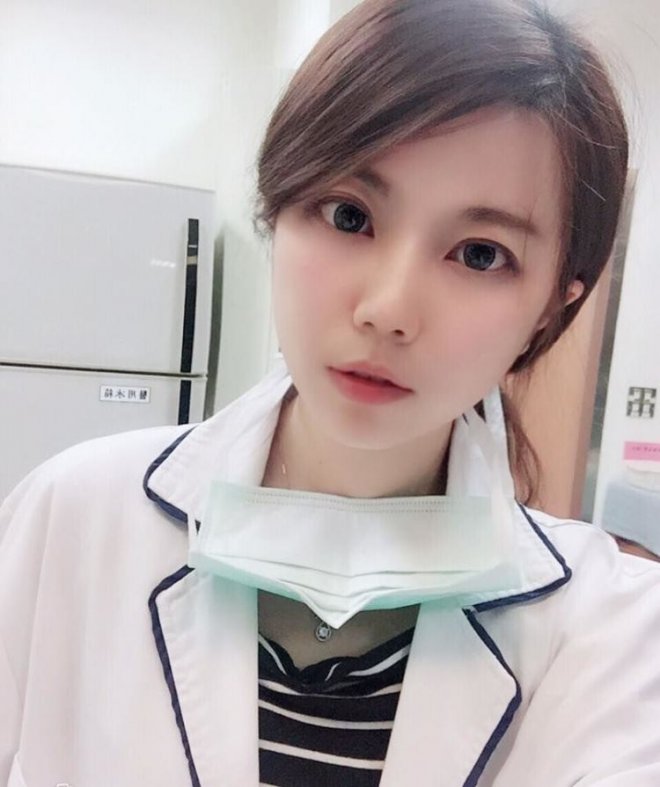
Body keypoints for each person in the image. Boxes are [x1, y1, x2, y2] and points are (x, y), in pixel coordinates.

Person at [1, 0, 659, 785]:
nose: (387, 308)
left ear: (552, 306)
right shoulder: (72, 516)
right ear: (276, 206)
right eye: (349, 215)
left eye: (480, 253)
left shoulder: (615, 629)